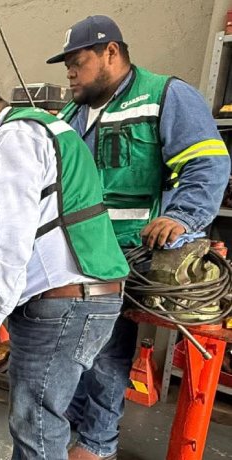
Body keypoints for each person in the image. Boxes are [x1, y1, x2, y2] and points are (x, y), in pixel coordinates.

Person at [45, 15, 230, 460]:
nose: (69, 72)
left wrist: (182, 217)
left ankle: (96, 444)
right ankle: (67, 432)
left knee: (106, 352)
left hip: (130, 253)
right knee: (69, 347)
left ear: (112, 52)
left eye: (77, 61)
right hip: (77, 254)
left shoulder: (165, 95)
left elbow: (208, 163)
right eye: (66, 64)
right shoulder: (71, 114)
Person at [0, 77, 130, 460]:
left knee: (36, 425)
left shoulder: (11, 141)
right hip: (91, 292)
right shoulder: (41, 127)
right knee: (51, 416)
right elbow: (43, 206)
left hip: (61, 303)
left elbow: (11, 237)